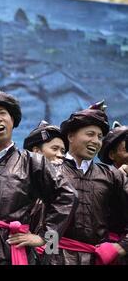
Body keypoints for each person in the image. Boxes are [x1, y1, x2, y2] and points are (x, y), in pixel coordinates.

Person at [0, 90, 77, 265]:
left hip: (14, 249)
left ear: (13, 120)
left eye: (3, 114)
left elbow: (68, 196)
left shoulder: (33, 162)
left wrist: (45, 239)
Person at [46, 102, 128, 265]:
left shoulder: (112, 175)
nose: (96, 141)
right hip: (57, 258)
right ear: (70, 136)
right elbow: (43, 219)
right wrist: (49, 255)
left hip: (99, 259)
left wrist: (120, 247)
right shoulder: (49, 170)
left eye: (99, 137)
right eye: (90, 134)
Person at [23, 120, 67, 234]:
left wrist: (47, 247)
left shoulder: (66, 183)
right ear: (36, 151)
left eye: (63, 151)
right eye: (54, 149)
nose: (60, 155)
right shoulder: (18, 178)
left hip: (50, 248)